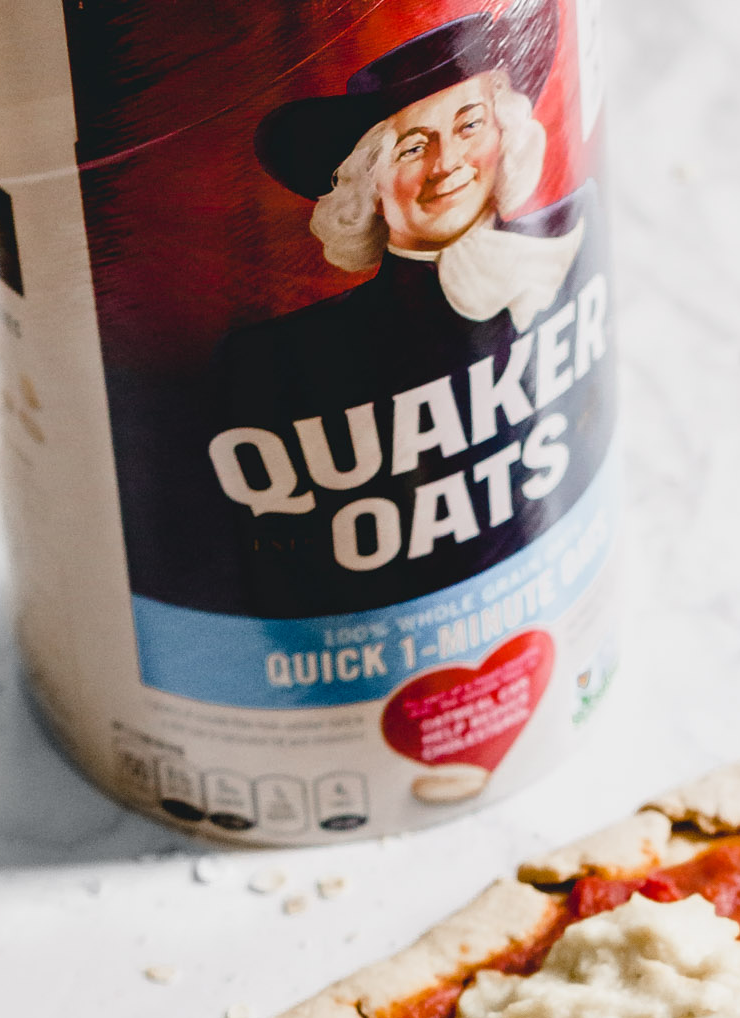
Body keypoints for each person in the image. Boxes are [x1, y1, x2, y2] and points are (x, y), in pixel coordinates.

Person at [209, 10, 607, 619]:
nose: (448, 163)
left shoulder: (575, 238)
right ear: (366, 186)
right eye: (413, 146)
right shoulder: (283, 359)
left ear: (505, 131)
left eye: (470, 124)